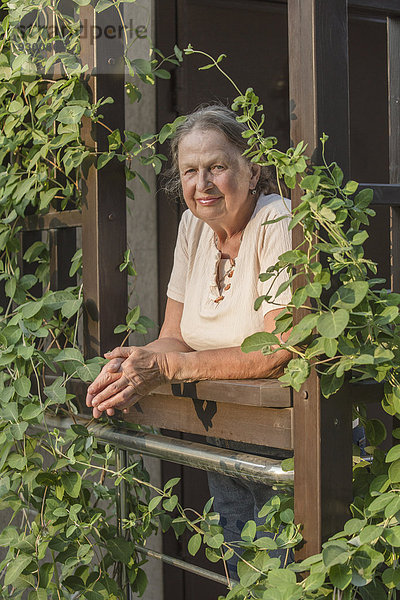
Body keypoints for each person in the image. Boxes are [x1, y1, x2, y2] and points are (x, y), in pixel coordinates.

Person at [86, 104, 293, 576]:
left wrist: (169, 369)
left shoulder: (278, 220)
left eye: (217, 167)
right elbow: (174, 339)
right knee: (247, 576)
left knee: (290, 577)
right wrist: (132, 364)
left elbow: (279, 346)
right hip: (225, 434)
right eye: (190, 171)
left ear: (251, 169)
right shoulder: (192, 228)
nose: (202, 184)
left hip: (287, 442)